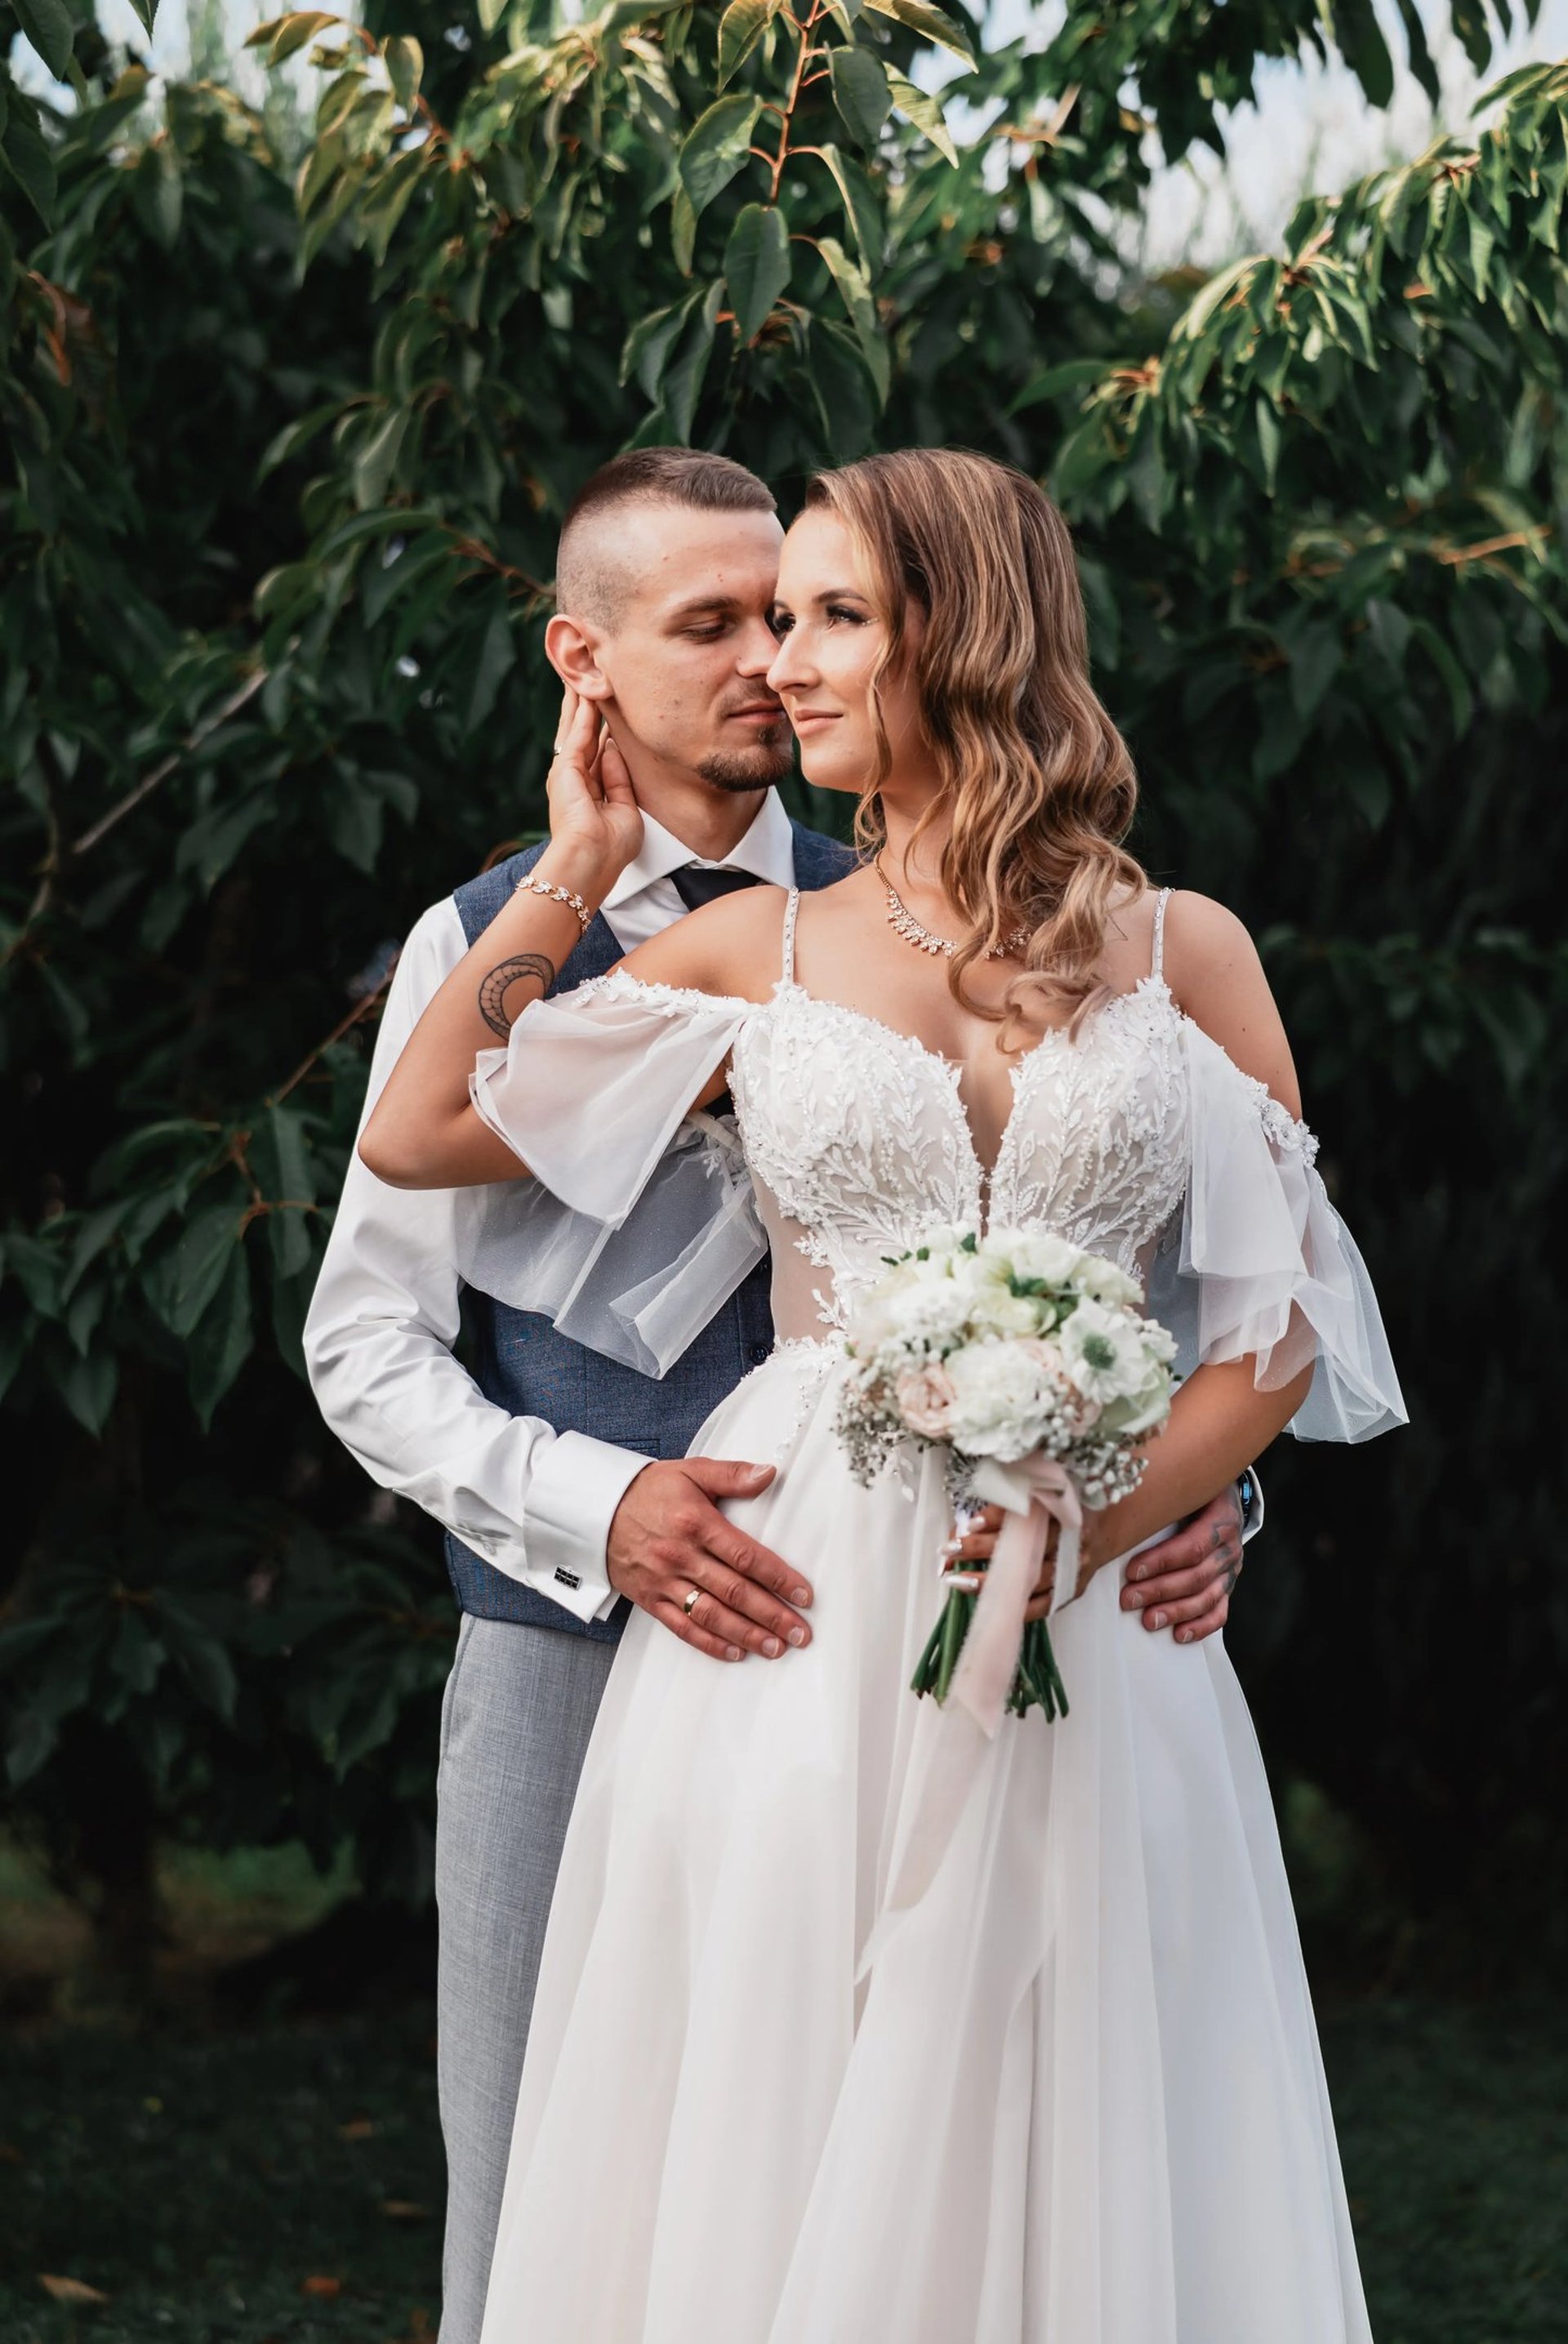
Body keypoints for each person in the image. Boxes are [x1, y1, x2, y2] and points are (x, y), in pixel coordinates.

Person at [311, 448, 1264, 2344]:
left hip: (1007, 1599)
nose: (775, 659)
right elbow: (368, 1321)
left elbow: (1213, 1282)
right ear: (584, 659)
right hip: (591, 1628)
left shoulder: (968, 904)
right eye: (725, 623)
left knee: (1013, 2146)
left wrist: (1188, 1497)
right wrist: (603, 1506)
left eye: (813, 613)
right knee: (576, 2197)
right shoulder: (521, 937)